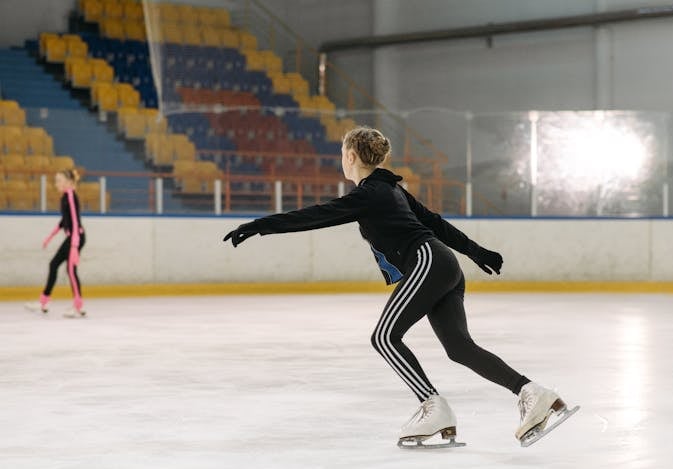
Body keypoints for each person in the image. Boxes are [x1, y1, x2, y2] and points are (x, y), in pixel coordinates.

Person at [224, 127, 574, 448]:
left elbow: (316, 214)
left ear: (351, 156)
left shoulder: (372, 193)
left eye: (342, 153)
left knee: (384, 337)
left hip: (427, 262)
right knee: (459, 347)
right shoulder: (391, 190)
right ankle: (533, 392)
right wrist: (474, 251)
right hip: (443, 264)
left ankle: (434, 407)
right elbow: (436, 223)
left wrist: (259, 225)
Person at [25, 168, 87, 318]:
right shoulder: (65, 197)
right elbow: (64, 221)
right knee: (55, 265)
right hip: (73, 237)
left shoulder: (71, 196)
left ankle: (77, 305)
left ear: (69, 183)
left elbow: (75, 220)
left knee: (71, 270)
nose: (56, 184)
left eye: (59, 180)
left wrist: (73, 246)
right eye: (56, 180)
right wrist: (50, 237)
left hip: (76, 238)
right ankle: (44, 301)